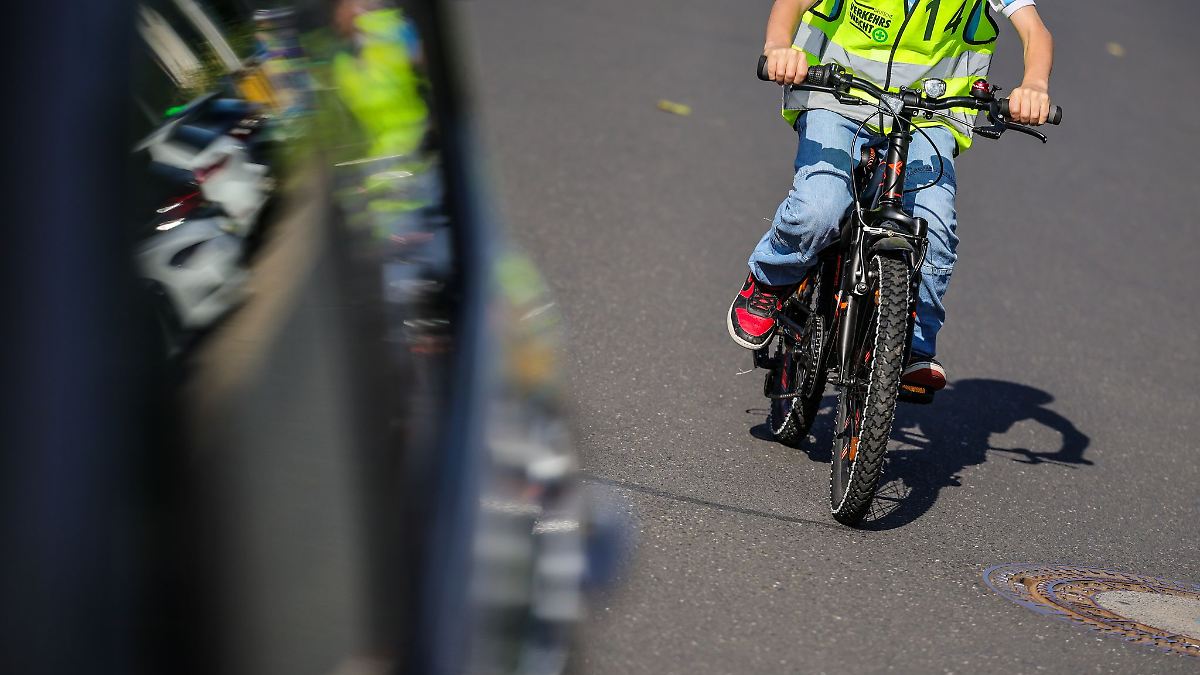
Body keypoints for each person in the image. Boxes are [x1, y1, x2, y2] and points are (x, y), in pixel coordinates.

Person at [727, 0, 1053, 393]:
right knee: (820, 207)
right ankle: (769, 281)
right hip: (837, 96)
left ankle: (912, 344)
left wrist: (1035, 84)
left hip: (930, 114)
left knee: (934, 226)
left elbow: (1034, 31)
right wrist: (779, 46)